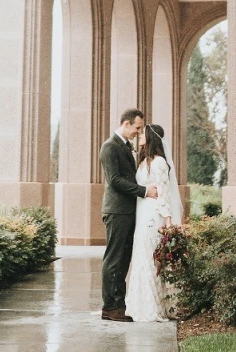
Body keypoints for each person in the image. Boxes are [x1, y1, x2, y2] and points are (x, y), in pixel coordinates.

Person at [99, 108, 158, 322]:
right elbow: (114, 180)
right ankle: (109, 307)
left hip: (127, 211)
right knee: (113, 260)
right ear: (126, 123)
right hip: (116, 211)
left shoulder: (124, 147)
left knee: (124, 259)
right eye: (137, 127)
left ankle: (119, 305)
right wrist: (143, 191)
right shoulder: (109, 147)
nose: (138, 132)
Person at [126, 123, 183, 322]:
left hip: (153, 215)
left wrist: (168, 223)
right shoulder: (143, 161)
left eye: (142, 133)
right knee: (140, 257)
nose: (139, 135)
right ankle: (138, 303)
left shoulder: (159, 163)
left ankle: (152, 306)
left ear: (151, 138)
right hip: (141, 213)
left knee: (150, 259)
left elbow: (164, 194)